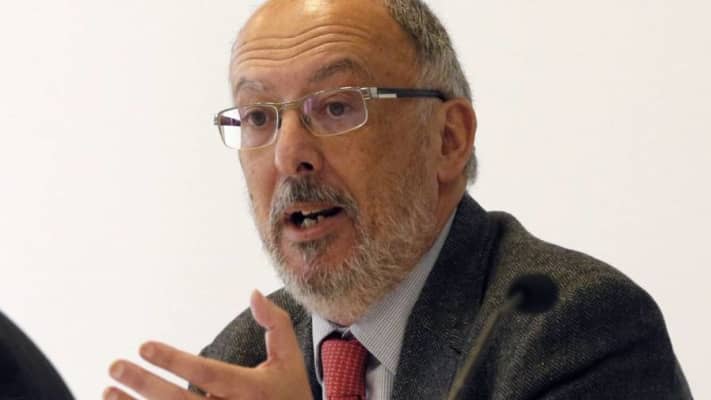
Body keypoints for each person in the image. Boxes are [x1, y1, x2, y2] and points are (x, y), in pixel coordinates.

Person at [104, 0, 692, 399]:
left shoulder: (573, 330)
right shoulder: (241, 359)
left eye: (337, 106)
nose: (289, 156)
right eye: (259, 117)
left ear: (448, 139)